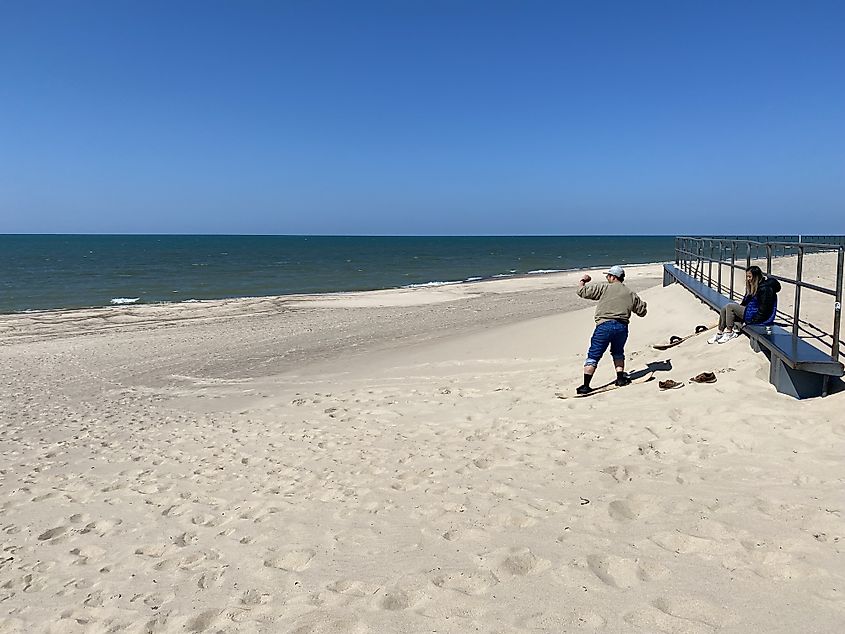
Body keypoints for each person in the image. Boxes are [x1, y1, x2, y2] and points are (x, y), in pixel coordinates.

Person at [575, 265, 648, 395]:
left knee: (594, 354)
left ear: (613, 277)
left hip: (604, 326)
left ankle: (586, 385)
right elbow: (642, 312)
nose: (607, 278)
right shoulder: (630, 293)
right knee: (618, 352)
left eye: (608, 276)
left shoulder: (604, 288)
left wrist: (583, 280)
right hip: (621, 327)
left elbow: (582, 292)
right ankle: (620, 378)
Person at [707, 265, 781, 344]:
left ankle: (729, 332)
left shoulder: (765, 289)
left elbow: (765, 309)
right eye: (747, 276)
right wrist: (741, 306)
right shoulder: (753, 286)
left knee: (730, 306)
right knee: (724, 308)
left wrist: (753, 320)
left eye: (750, 276)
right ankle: (720, 332)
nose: (748, 279)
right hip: (750, 311)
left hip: (756, 316)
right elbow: (746, 301)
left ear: (756, 276)